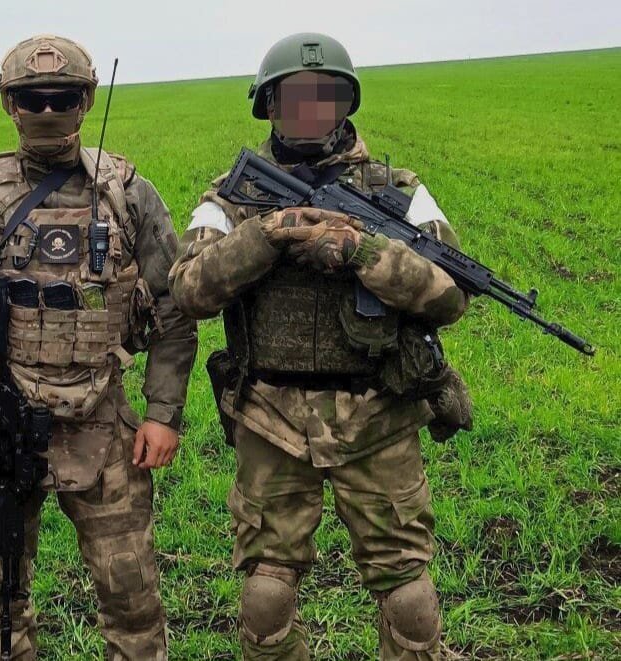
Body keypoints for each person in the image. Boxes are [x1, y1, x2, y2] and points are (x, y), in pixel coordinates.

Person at [169, 32, 472, 661]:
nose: (311, 110)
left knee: (409, 596)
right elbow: (188, 289)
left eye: (325, 95)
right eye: (296, 97)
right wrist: (268, 235)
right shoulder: (231, 196)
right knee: (266, 594)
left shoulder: (399, 193)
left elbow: (450, 297)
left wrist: (363, 252)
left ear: (346, 103)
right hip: (270, 414)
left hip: (380, 411)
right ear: (269, 106)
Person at [0, 34, 197, 660]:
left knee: (132, 600)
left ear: (86, 100)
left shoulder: (126, 193)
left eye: (61, 97)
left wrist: (163, 413)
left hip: (103, 422)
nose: (46, 110)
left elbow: (174, 306)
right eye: (31, 98)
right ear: (8, 104)